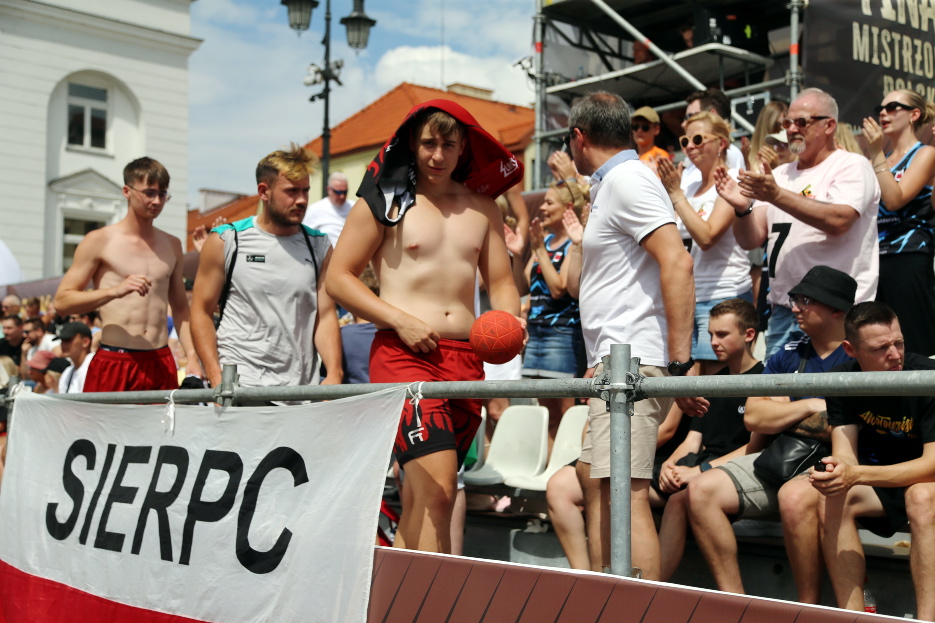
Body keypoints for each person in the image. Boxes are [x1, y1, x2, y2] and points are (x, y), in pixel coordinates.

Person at [325, 99, 523, 554]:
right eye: (429, 143)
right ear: (412, 144)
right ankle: (430, 594)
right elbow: (338, 277)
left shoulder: (483, 207)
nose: (437, 155)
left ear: (463, 148)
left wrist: (509, 320)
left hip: (467, 361)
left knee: (423, 497)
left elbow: (500, 283)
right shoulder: (384, 201)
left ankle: (395, 589)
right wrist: (399, 319)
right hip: (403, 355)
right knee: (439, 491)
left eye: (448, 145)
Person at [560, 91, 694, 579]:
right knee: (597, 483)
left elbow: (677, 261)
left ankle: (640, 608)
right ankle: (608, 597)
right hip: (616, 363)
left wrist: (679, 365)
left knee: (625, 492)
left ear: (579, 137)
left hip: (632, 364)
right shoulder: (613, 183)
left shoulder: (628, 180)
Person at [685, 266, 856, 595]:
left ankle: (806, 606)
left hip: (835, 463)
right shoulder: (789, 352)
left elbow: (846, 425)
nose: (795, 308)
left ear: (837, 309)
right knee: (699, 490)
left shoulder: (857, 354)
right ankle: (733, 602)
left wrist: (783, 411)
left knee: (793, 498)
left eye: (806, 300)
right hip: (782, 458)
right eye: (795, 299)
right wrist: (809, 406)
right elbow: (753, 417)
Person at [717, 87, 880, 359]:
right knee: (778, 386)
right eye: (787, 123)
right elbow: (750, 240)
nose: (792, 129)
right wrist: (742, 209)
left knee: (833, 386)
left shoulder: (852, 165)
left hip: (836, 311)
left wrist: (777, 195)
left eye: (802, 122)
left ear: (829, 125)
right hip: (785, 310)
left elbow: (839, 220)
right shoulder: (780, 174)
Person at [807, 302, 935, 619]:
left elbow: (931, 465)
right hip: (885, 477)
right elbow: (844, 454)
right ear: (851, 350)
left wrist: (855, 474)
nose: (894, 355)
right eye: (880, 348)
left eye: (899, 343)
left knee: (920, 496)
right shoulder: (842, 379)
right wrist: (836, 473)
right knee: (832, 494)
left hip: (925, 480)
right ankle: (853, 615)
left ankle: (927, 619)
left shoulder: (927, 377)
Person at [191, 145, 342, 391]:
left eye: (305, 190)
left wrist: (334, 373)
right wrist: (216, 377)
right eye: (291, 191)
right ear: (264, 191)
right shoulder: (226, 239)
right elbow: (200, 311)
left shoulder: (319, 244)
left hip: (299, 389)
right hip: (240, 385)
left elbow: (325, 315)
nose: (302, 200)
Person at [54, 157, 201, 392]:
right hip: (115, 359)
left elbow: (181, 308)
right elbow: (62, 302)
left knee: (163, 419)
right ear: (127, 191)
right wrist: (115, 291)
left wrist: (192, 355)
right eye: (149, 193)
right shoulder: (99, 240)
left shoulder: (172, 244)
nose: (157, 201)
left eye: (162, 194)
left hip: (159, 360)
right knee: (102, 419)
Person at [656, 298, 764, 581]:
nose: (714, 342)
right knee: (632, 490)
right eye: (711, 335)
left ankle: (652, 587)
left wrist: (701, 471)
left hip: (736, 473)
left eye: (723, 334)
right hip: (700, 469)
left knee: (678, 500)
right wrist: (670, 464)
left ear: (749, 334)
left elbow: (755, 447)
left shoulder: (765, 378)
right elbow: (692, 440)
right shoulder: (712, 381)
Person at [657, 112, 752, 375]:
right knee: (688, 380)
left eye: (698, 139)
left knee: (714, 382)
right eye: (685, 141)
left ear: (721, 143)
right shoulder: (689, 187)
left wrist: (675, 195)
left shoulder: (731, 180)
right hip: (691, 296)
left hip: (724, 293)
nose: (690, 146)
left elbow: (708, 237)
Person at [507, 179, 587, 453]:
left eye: (549, 202)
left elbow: (559, 288)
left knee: (567, 413)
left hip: (562, 335)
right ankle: (550, 470)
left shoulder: (573, 244)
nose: (542, 207)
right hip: (537, 334)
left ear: (568, 207)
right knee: (548, 415)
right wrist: (517, 255)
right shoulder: (546, 241)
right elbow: (522, 288)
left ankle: (569, 465)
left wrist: (539, 249)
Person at [863, 90, 935, 356]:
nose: (883, 113)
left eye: (892, 107)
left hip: (908, 255)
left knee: (914, 344)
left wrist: (875, 154)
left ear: (914, 114)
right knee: (879, 345)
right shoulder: (877, 158)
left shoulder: (925, 153)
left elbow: (895, 199)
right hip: (873, 260)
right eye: (879, 108)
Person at [682, 88, 746, 181]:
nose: (683, 123)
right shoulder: (693, 162)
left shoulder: (731, 153)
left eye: (690, 116)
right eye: (685, 142)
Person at [302, 171, 353, 248]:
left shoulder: (354, 207)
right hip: (329, 254)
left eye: (345, 192)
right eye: (338, 192)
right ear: (329, 189)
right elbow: (304, 236)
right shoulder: (315, 210)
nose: (342, 196)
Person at [56, 322, 94, 394]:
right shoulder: (67, 372)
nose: (62, 344)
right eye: (62, 340)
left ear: (85, 342)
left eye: (67, 339)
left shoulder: (96, 366)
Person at [631, 106, 669, 171]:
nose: (639, 131)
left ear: (656, 129)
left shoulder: (661, 156)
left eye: (645, 127)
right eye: (635, 126)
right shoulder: (629, 157)